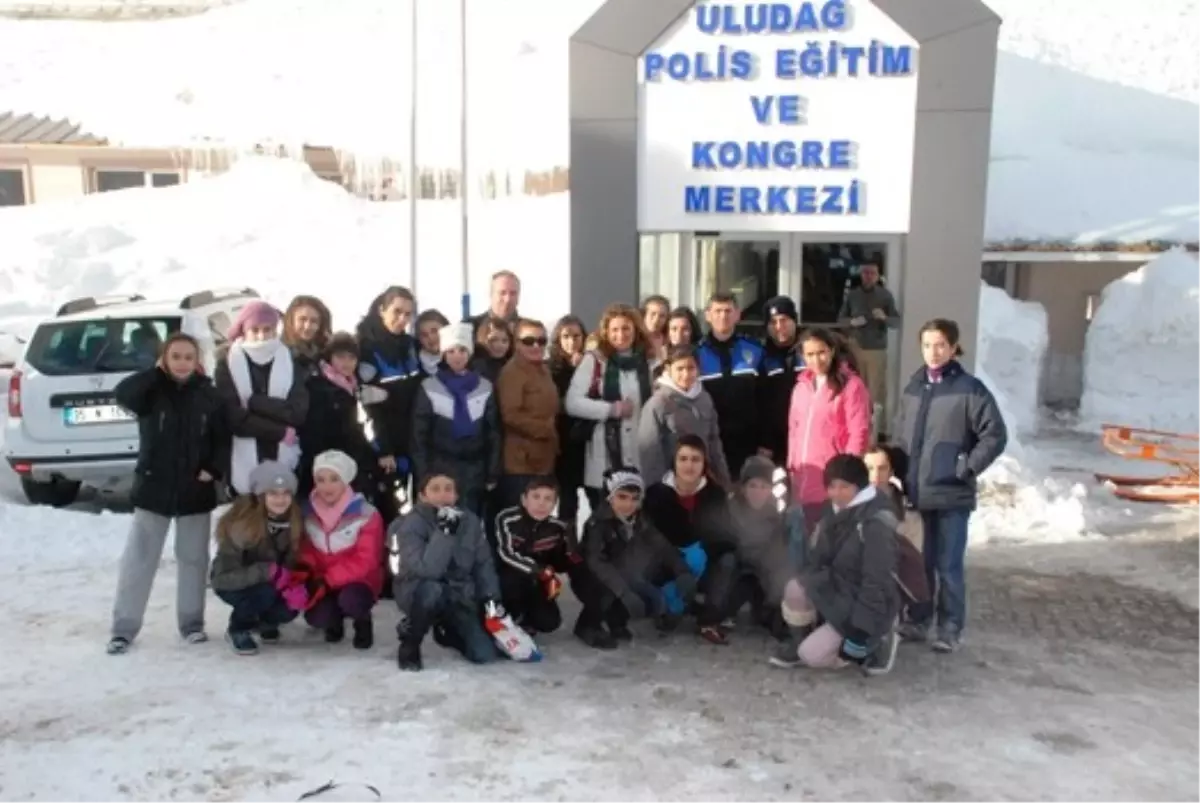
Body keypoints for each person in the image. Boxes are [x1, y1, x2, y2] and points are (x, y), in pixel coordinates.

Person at [891, 319, 1007, 653]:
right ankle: (919, 619)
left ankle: (950, 626)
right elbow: (902, 435)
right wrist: (898, 471)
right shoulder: (914, 388)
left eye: (940, 344)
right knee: (920, 563)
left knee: (948, 564)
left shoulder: (970, 389)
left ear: (954, 347)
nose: (933, 352)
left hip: (952, 494)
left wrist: (967, 465)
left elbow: (994, 434)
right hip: (919, 492)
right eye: (927, 345)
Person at [107, 333, 227, 655]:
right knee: (139, 560)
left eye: (189, 357)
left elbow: (222, 439)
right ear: (164, 359)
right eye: (175, 356)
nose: (182, 363)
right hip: (153, 488)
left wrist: (213, 469)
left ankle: (191, 624)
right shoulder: (150, 391)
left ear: (197, 360)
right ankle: (124, 628)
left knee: (193, 560)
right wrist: (154, 373)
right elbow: (122, 394)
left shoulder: (208, 394)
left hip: (194, 490)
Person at [771, 454, 900, 676]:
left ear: (859, 487)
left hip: (864, 601)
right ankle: (802, 642)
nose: (836, 493)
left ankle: (877, 641)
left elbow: (877, 581)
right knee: (794, 588)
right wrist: (807, 582)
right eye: (831, 486)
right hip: (838, 588)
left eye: (844, 487)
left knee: (814, 656)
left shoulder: (875, 521)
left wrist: (860, 630)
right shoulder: (832, 511)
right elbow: (818, 559)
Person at [390, 471, 503, 671]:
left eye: (448, 489)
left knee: (484, 655)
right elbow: (428, 570)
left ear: (456, 495)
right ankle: (411, 642)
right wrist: (445, 532)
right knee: (433, 590)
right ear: (422, 495)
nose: (443, 494)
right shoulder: (408, 524)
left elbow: (483, 564)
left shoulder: (471, 522)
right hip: (418, 591)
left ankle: (448, 631)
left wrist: (491, 598)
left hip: (459, 593)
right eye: (435, 489)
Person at [581, 467, 697, 645]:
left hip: (623, 571)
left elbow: (662, 546)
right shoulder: (597, 524)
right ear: (609, 497)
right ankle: (588, 626)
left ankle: (617, 622)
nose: (628, 504)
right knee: (604, 586)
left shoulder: (641, 520)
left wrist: (682, 571)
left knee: (644, 587)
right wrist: (624, 592)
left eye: (634, 499)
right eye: (622, 497)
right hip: (592, 574)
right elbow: (596, 562)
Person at [642, 435, 739, 644]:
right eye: (683, 458)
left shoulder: (715, 494)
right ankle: (666, 604)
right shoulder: (656, 494)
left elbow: (726, 537)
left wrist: (702, 551)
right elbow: (648, 539)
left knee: (728, 560)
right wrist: (678, 566)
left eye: (696, 459)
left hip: (701, 563)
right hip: (665, 566)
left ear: (704, 464)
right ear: (674, 462)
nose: (689, 465)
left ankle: (709, 620)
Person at [493, 477, 611, 648]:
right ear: (524, 500)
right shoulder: (507, 519)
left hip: (537, 583)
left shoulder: (558, 528)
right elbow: (506, 554)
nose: (541, 504)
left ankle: (528, 621)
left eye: (548, 499)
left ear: (555, 503)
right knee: (511, 582)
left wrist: (582, 570)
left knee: (549, 622)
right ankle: (509, 618)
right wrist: (541, 571)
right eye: (536, 497)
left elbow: (567, 560)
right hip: (507, 579)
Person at [214, 300, 308, 496]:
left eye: (268, 329)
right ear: (244, 331)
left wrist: (255, 402)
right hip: (240, 458)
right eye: (254, 329)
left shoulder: (291, 361)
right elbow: (234, 418)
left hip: (282, 456)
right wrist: (280, 431)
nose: (261, 336)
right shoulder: (227, 364)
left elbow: (297, 412)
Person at [210, 461, 304, 655]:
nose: (280, 500)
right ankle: (239, 628)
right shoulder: (242, 526)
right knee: (264, 593)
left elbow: (291, 561)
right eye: (273, 494)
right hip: (235, 584)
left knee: (289, 607)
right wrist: (266, 572)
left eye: (285, 493)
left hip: (271, 583)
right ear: (260, 496)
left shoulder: (294, 521)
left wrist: (294, 582)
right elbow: (221, 579)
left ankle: (266, 622)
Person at [565, 303, 653, 509]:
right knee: (606, 517)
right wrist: (611, 409)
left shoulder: (650, 360)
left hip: (642, 451)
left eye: (626, 329)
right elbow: (572, 403)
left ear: (635, 330)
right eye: (614, 329)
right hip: (605, 453)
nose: (620, 335)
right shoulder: (595, 360)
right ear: (606, 332)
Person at [411, 323, 502, 517]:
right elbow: (419, 435)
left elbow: (493, 431)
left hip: (475, 469)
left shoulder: (484, 387)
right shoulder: (430, 387)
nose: (457, 356)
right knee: (442, 523)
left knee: (470, 524)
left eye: (462, 350)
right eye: (451, 351)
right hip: (441, 467)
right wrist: (424, 475)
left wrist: (492, 471)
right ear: (444, 354)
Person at [299, 450, 386, 649]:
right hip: (324, 580)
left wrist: (329, 579)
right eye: (320, 480)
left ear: (346, 481)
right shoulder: (307, 513)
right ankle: (333, 621)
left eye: (334, 479)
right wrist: (309, 573)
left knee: (352, 600)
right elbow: (306, 549)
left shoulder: (366, 514)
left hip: (358, 581)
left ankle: (362, 620)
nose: (326, 486)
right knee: (316, 617)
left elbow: (367, 560)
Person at [787, 327, 871, 533]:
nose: (816, 360)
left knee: (830, 539)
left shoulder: (850, 385)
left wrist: (846, 475)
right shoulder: (801, 387)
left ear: (832, 351)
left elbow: (858, 431)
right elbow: (795, 430)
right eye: (810, 354)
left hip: (832, 480)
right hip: (804, 476)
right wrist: (792, 466)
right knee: (805, 539)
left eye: (821, 352)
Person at [355, 286, 421, 522]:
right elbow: (367, 407)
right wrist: (383, 450)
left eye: (408, 314)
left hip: (409, 440)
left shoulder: (409, 346)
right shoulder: (367, 348)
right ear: (382, 309)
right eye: (397, 311)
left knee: (408, 510)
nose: (402, 319)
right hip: (383, 448)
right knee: (387, 511)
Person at [297, 332, 379, 500]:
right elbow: (316, 433)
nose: (347, 363)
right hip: (330, 466)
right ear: (330, 358)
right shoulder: (319, 388)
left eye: (351, 357)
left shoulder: (350, 386)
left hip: (348, 460)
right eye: (340, 357)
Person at [637, 345, 731, 488]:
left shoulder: (704, 399)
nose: (686, 374)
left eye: (691, 368)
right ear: (668, 370)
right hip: (672, 484)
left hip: (703, 481)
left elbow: (714, 443)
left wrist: (724, 481)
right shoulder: (658, 403)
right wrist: (657, 490)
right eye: (680, 369)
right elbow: (650, 452)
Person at [695, 292, 762, 478]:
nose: (723, 316)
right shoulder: (696, 353)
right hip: (710, 439)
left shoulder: (755, 350)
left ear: (738, 314)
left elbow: (765, 399)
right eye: (717, 311)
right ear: (708, 315)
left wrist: (765, 441)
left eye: (728, 311)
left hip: (748, 441)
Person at [496, 319, 560, 508]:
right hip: (521, 462)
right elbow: (510, 415)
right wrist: (544, 429)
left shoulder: (543, 369)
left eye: (541, 341)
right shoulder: (512, 372)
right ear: (516, 343)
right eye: (528, 341)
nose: (535, 346)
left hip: (544, 459)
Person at [727, 456, 792, 640]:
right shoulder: (730, 510)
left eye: (764, 487)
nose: (758, 492)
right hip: (735, 575)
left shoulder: (775, 516)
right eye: (753, 486)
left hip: (762, 578)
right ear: (743, 488)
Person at [838, 261, 901, 428]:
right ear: (860, 274)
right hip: (855, 348)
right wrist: (851, 322)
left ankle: (876, 430)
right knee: (854, 388)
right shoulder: (852, 295)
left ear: (878, 275)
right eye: (865, 272)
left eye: (872, 273)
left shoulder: (885, 295)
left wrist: (884, 318)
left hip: (876, 350)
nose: (869, 276)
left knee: (875, 392)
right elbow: (840, 320)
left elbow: (896, 322)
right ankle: (855, 425)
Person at [549, 314, 588, 531]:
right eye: (566, 336)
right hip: (563, 442)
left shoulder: (593, 365)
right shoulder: (550, 368)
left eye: (576, 336)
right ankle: (567, 547)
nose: (571, 342)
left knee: (596, 497)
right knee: (567, 501)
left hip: (588, 441)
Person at [758, 296, 802, 467]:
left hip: (808, 436)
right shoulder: (762, 356)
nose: (779, 327)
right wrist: (765, 441)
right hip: (775, 442)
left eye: (784, 320)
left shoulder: (810, 350)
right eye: (773, 322)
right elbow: (761, 404)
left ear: (794, 320)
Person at [282, 295, 333, 380]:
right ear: (291, 321)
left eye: (314, 321)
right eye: (302, 319)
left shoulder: (324, 356)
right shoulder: (280, 355)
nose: (307, 326)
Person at [467, 269, 521, 339]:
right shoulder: (470, 327)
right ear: (490, 294)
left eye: (513, 293)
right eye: (502, 293)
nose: (508, 299)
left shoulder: (530, 332)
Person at [471, 315, 513, 383]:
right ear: (482, 339)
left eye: (504, 341)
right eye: (493, 340)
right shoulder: (477, 368)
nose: (500, 345)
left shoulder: (509, 365)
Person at [415, 308, 450, 376]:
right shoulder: (413, 364)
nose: (430, 337)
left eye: (434, 331)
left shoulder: (461, 359)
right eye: (424, 334)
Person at [640, 294, 671, 366]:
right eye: (653, 314)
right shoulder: (635, 338)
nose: (656, 320)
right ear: (644, 315)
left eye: (662, 316)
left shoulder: (669, 340)